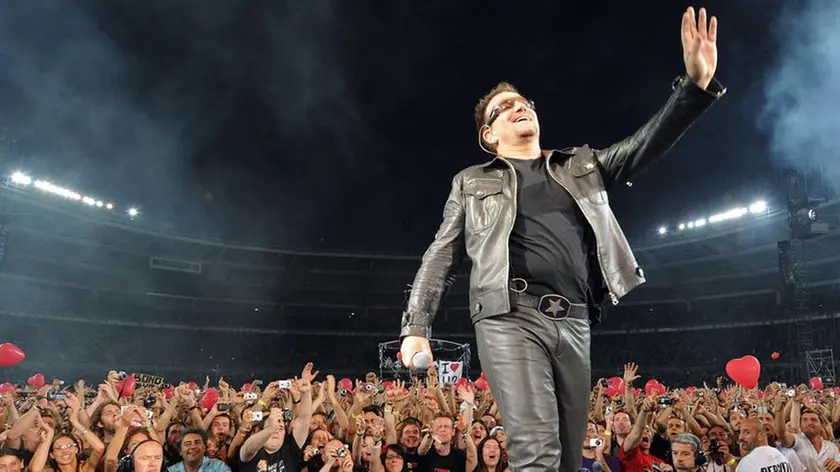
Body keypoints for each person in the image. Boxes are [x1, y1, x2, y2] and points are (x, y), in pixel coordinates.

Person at [398, 6, 726, 472]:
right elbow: (442, 253)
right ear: (488, 135)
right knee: (538, 454)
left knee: (570, 461)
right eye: (503, 108)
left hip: (575, 323)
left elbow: (641, 147)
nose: (519, 106)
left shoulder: (582, 165)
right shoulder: (471, 181)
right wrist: (415, 327)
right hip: (508, 316)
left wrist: (693, 89)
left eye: (523, 101)